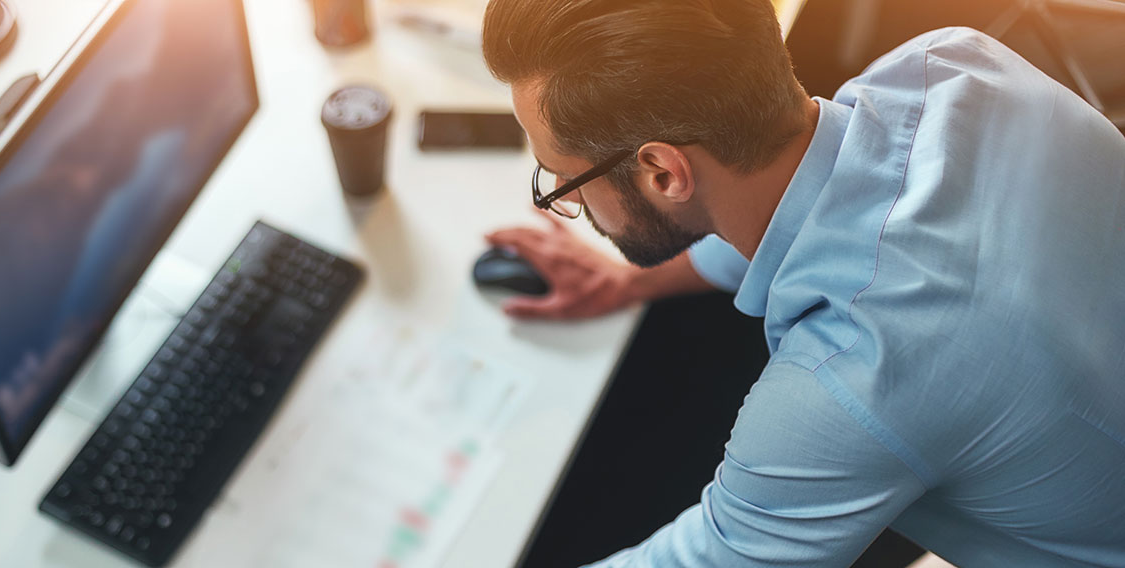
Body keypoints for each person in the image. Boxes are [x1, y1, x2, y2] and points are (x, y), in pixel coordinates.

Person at [480, 0, 1125, 566]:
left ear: (663, 174)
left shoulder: (850, 380)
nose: (565, 203)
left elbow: (711, 558)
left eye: (562, 182)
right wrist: (632, 285)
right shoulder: (948, 62)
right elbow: (822, 191)